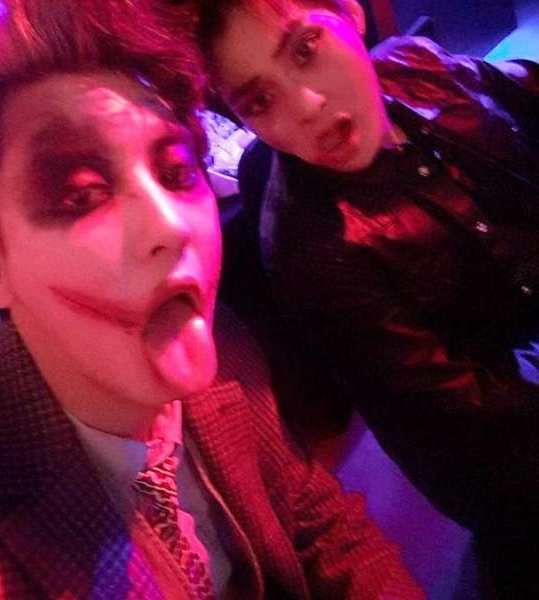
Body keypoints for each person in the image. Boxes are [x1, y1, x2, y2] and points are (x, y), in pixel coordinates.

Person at [0, 0, 423, 598]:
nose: (170, 225)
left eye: (176, 174)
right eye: (81, 196)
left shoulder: (224, 345)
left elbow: (316, 520)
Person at [188, 0, 539, 595]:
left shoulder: (416, 64)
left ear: (350, 13)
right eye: (260, 101)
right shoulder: (313, 253)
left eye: (306, 51)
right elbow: (471, 420)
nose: (307, 105)